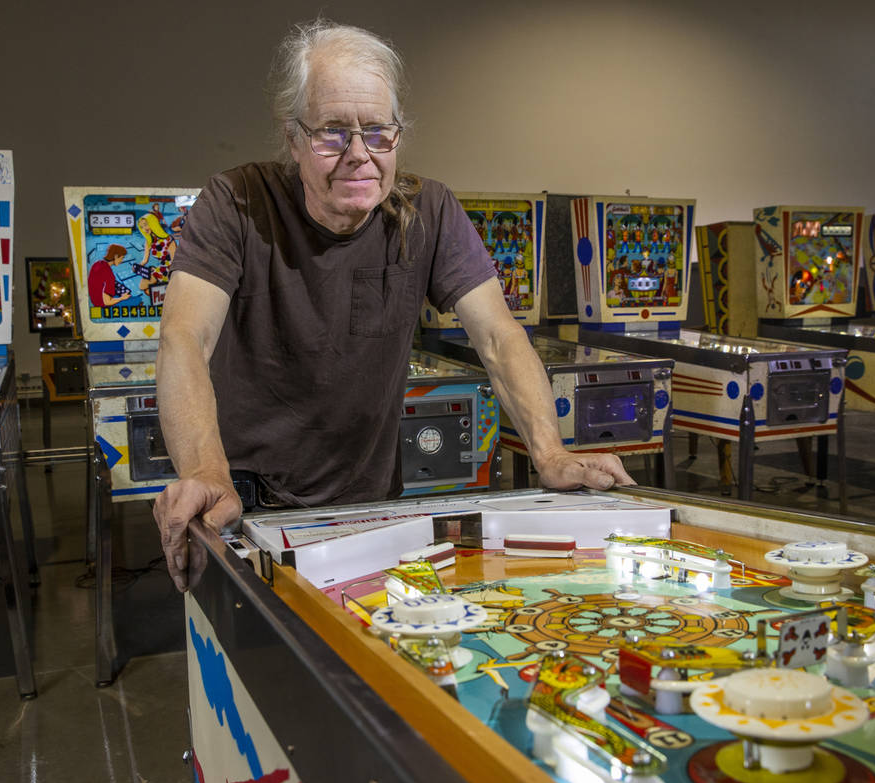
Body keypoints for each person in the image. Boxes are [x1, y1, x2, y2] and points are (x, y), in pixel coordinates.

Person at [153, 20, 633, 593]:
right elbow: (184, 336)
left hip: (369, 500)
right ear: (294, 138)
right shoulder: (236, 201)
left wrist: (549, 452)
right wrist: (206, 471)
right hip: (242, 499)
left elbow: (500, 337)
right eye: (333, 132)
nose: (359, 155)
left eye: (378, 132)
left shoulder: (426, 208)